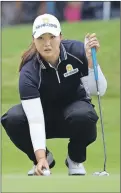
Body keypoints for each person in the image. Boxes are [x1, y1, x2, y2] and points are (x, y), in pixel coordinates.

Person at [1, 13, 107, 176]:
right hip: (42, 117)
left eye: (52, 37)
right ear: (34, 40)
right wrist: (40, 156)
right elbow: (35, 120)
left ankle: (75, 159)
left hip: (74, 114)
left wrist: (91, 64)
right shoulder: (29, 71)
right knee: (12, 119)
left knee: (85, 115)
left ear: (61, 37)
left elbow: (98, 90)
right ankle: (45, 161)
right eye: (41, 38)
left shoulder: (78, 52)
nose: (47, 43)